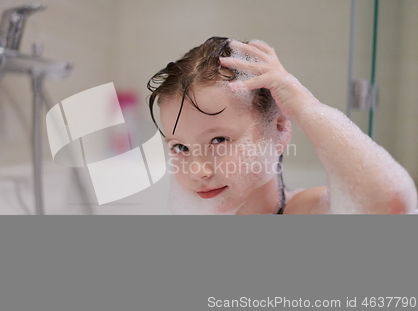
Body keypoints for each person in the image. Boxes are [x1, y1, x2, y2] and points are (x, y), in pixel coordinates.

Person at [146, 37, 417, 214]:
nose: (198, 171)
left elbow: (391, 204)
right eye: (180, 146)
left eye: (218, 140)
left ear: (278, 129)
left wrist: (305, 106)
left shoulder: (306, 213)